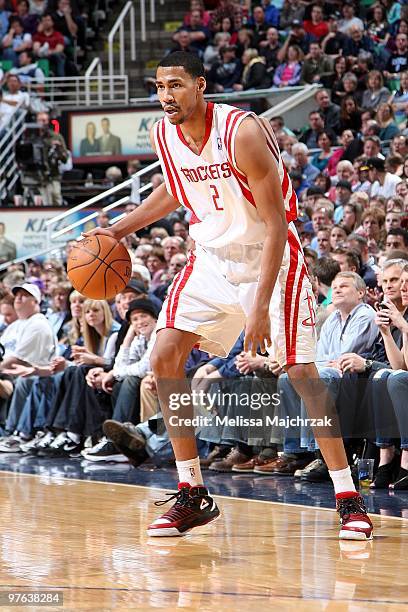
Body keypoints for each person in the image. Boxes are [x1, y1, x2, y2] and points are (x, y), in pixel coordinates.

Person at [85, 51, 373, 540]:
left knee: (302, 373)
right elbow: (176, 191)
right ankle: (193, 492)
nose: (166, 96)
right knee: (165, 355)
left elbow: (278, 224)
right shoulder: (164, 135)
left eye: (175, 85)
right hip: (211, 259)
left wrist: (258, 305)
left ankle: (349, 496)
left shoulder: (241, 132)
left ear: (200, 85)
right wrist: (116, 231)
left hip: (270, 257)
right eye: (159, 87)